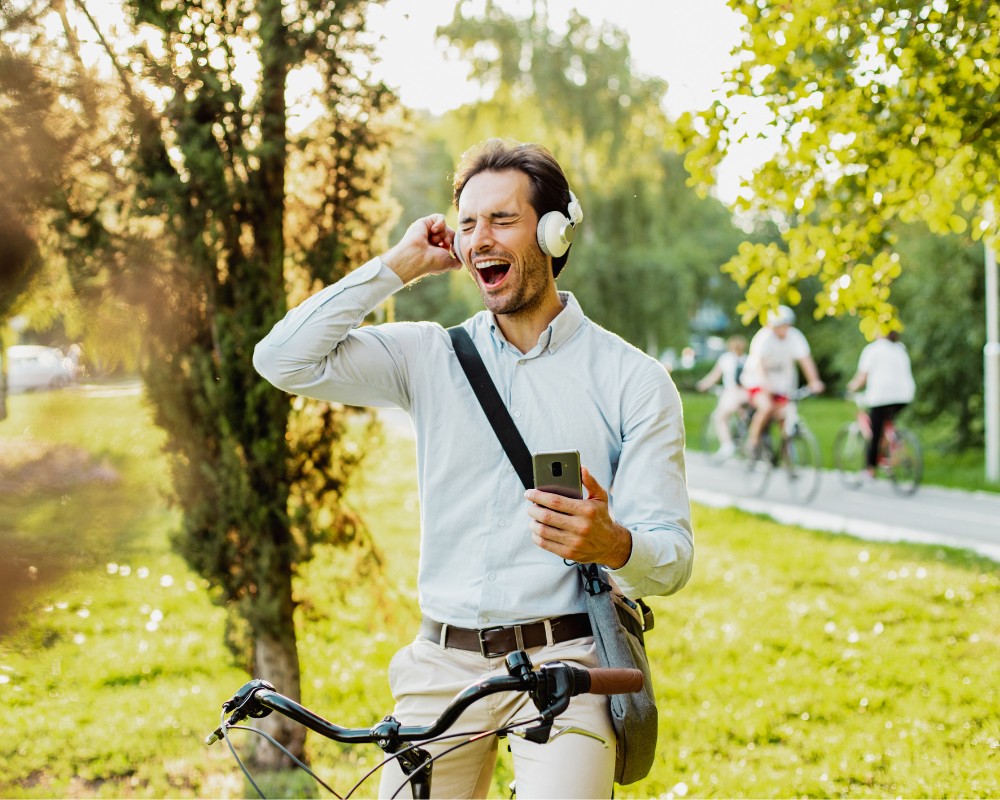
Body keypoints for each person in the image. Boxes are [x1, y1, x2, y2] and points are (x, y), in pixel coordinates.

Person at [253, 139, 693, 798]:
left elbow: (675, 558)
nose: (477, 238)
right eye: (466, 224)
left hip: (567, 664)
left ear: (554, 232)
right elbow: (281, 361)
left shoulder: (633, 379)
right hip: (440, 662)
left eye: (501, 220)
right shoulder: (428, 356)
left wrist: (615, 543)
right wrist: (397, 266)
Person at [740, 305, 825, 454]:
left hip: (781, 382)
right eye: (780, 326)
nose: (784, 329)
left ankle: (786, 456)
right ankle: (752, 442)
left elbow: (806, 360)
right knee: (766, 406)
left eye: (786, 325)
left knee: (786, 414)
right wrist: (765, 385)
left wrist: (814, 381)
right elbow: (759, 365)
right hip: (756, 379)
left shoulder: (795, 337)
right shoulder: (764, 337)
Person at [846, 330, 916, 479]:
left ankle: (869, 469)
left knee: (875, 433)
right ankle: (891, 451)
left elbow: (861, 378)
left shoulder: (872, 349)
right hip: (904, 395)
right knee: (888, 423)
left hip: (881, 397)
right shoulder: (900, 347)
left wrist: (851, 387)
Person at [695, 335, 748, 462]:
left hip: (732, 393)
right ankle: (746, 442)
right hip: (747, 394)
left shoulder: (726, 359)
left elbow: (714, 376)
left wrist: (703, 384)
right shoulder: (748, 359)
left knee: (720, 417)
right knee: (745, 417)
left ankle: (727, 445)